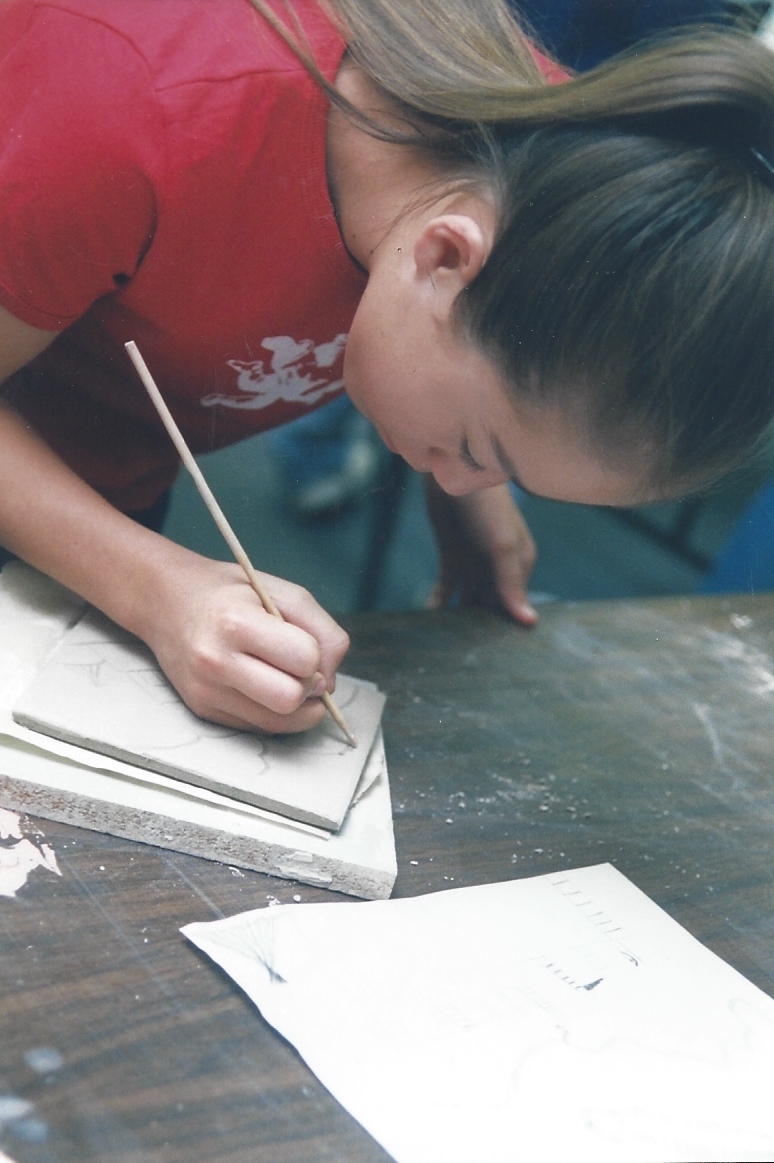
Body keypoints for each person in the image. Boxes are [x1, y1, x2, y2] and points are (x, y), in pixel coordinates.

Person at [1, 0, 774, 739]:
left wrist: (470, 487)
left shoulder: (560, 174)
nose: (469, 478)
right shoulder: (141, 111)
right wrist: (153, 587)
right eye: (478, 450)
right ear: (444, 256)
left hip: (98, 492)